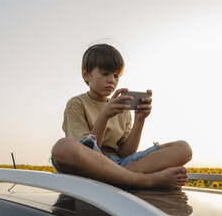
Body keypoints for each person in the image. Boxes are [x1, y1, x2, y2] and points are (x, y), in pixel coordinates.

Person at [51, 44, 192, 189]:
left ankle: (117, 178)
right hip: (88, 165)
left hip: (119, 165)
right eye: (105, 74)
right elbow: (87, 151)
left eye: (116, 75)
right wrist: (104, 116)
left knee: (183, 149)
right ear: (86, 75)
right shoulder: (76, 104)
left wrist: (139, 121)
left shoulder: (121, 107)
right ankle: (144, 180)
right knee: (63, 147)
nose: (112, 80)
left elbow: (126, 153)